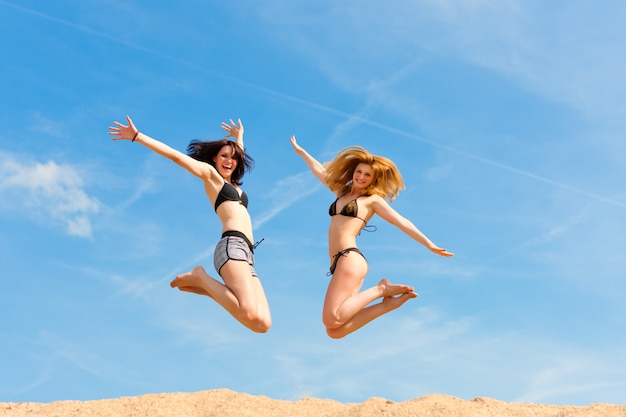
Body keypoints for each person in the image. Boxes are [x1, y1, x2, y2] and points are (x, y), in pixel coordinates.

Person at [108, 116, 271, 333]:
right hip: (232, 247)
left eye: (233, 158)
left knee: (262, 323)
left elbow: (236, 155)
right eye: (224, 156)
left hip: (248, 255)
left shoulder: (233, 183)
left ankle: (205, 285)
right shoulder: (211, 176)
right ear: (213, 159)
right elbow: (175, 156)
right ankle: (201, 278)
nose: (229, 161)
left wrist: (239, 136)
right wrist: (138, 137)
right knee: (249, 312)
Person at [290, 137, 453, 338]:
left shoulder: (372, 201)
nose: (361, 176)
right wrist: (301, 152)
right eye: (359, 171)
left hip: (349, 258)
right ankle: (386, 305)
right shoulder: (341, 192)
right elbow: (319, 171)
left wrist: (430, 244)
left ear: (373, 179)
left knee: (331, 318)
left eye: (367, 174)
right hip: (339, 263)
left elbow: (401, 221)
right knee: (335, 330)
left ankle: (381, 288)